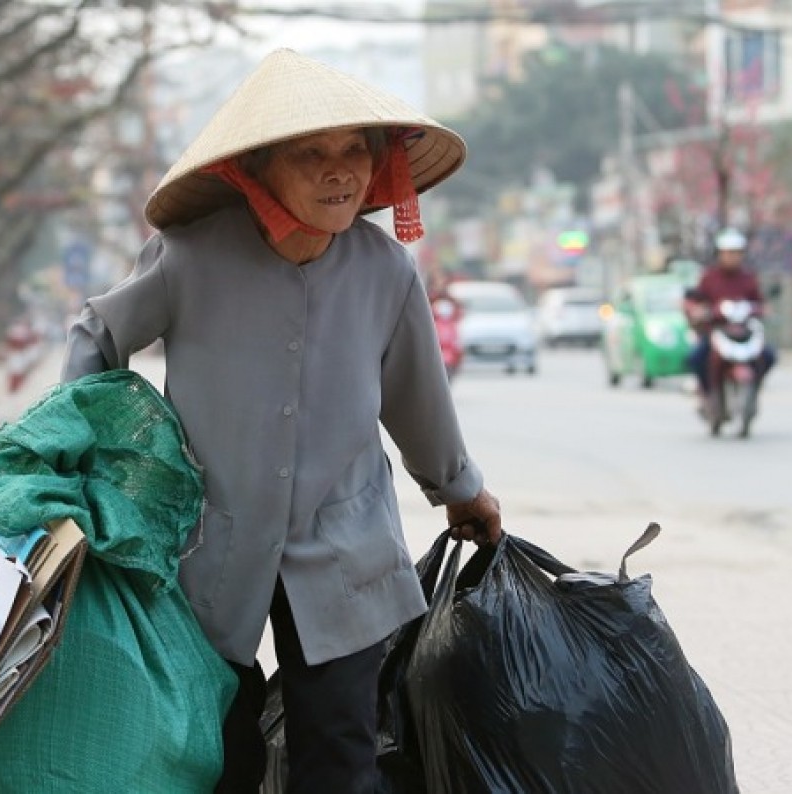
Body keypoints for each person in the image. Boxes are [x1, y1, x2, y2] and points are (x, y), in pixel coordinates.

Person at [60, 49, 502, 794]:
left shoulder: (385, 272)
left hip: (345, 543)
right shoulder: (188, 258)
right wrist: (96, 461)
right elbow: (96, 337)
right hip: (208, 544)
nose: (340, 171)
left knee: (340, 757)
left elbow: (415, 396)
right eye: (312, 154)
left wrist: (461, 489)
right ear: (258, 169)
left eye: (354, 152)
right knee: (215, 751)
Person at [685, 228, 777, 404]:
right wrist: (700, 311)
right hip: (716, 330)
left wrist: (763, 309)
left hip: (743, 331)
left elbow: (758, 301)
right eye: (728, 253)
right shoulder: (709, 278)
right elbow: (698, 299)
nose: (732, 257)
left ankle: (755, 388)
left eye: (736, 253)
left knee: (769, 356)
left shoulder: (748, 278)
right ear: (720, 254)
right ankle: (708, 394)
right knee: (695, 358)